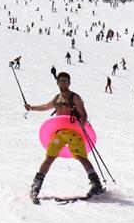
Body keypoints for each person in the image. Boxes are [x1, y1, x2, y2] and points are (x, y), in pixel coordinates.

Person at [24, 72, 105, 203]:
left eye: (66, 81)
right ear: (57, 83)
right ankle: (36, 185)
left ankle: (96, 184)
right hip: (60, 133)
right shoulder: (57, 98)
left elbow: (83, 114)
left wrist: (82, 126)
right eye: (61, 81)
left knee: (81, 157)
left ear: (69, 83)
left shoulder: (75, 97)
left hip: (74, 133)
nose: (63, 83)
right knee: (49, 157)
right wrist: (31, 108)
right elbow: (46, 106)